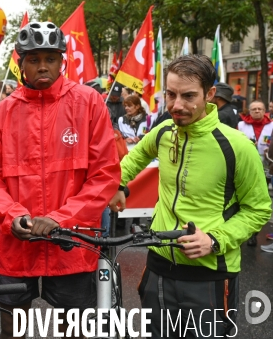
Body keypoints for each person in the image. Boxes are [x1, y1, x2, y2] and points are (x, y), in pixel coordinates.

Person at [109, 54, 271, 338]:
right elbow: (134, 159)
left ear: (209, 95)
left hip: (209, 272)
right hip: (158, 265)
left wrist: (215, 239)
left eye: (188, 95)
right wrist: (118, 185)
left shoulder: (237, 146)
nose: (177, 105)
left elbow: (258, 210)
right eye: (170, 94)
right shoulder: (163, 131)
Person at [0, 22, 120, 339]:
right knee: (12, 331)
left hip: (72, 243)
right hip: (16, 245)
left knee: (75, 331)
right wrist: (13, 215)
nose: (43, 66)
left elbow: (104, 175)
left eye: (50, 58)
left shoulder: (89, 103)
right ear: (21, 62)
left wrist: (59, 220)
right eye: (34, 58)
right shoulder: (4, 111)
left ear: (62, 61)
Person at [237, 99, 273, 246]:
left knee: (261, 201)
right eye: (254, 109)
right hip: (247, 168)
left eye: (260, 109)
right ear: (250, 111)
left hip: (267, 168)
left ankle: (255, 232)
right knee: (247, 199)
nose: (257, 111)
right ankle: (248, 232)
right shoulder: (241, 125)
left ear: (265, 111)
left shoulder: (271, 125)